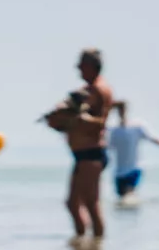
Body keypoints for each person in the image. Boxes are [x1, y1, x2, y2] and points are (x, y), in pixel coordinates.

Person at [45, 49, 114, 237]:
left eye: (82, 66)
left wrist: (75, 118)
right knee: (72, 203)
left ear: (92, 66)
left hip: (92, 153)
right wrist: (59, 121)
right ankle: (82, 247)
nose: (79, 71)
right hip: (81, 154)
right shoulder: (86, 91)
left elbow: (101, 122)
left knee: (91, 204)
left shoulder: (100, 89)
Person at [108, 101, 159, 199]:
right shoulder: (113, 130)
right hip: (119, 172)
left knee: (129, 196)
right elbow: (108, 146)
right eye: (120, 110)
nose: (122, 112)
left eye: (123, 109)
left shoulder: (137, 126)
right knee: (121, 199)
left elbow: (153, 138)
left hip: (134, 169)